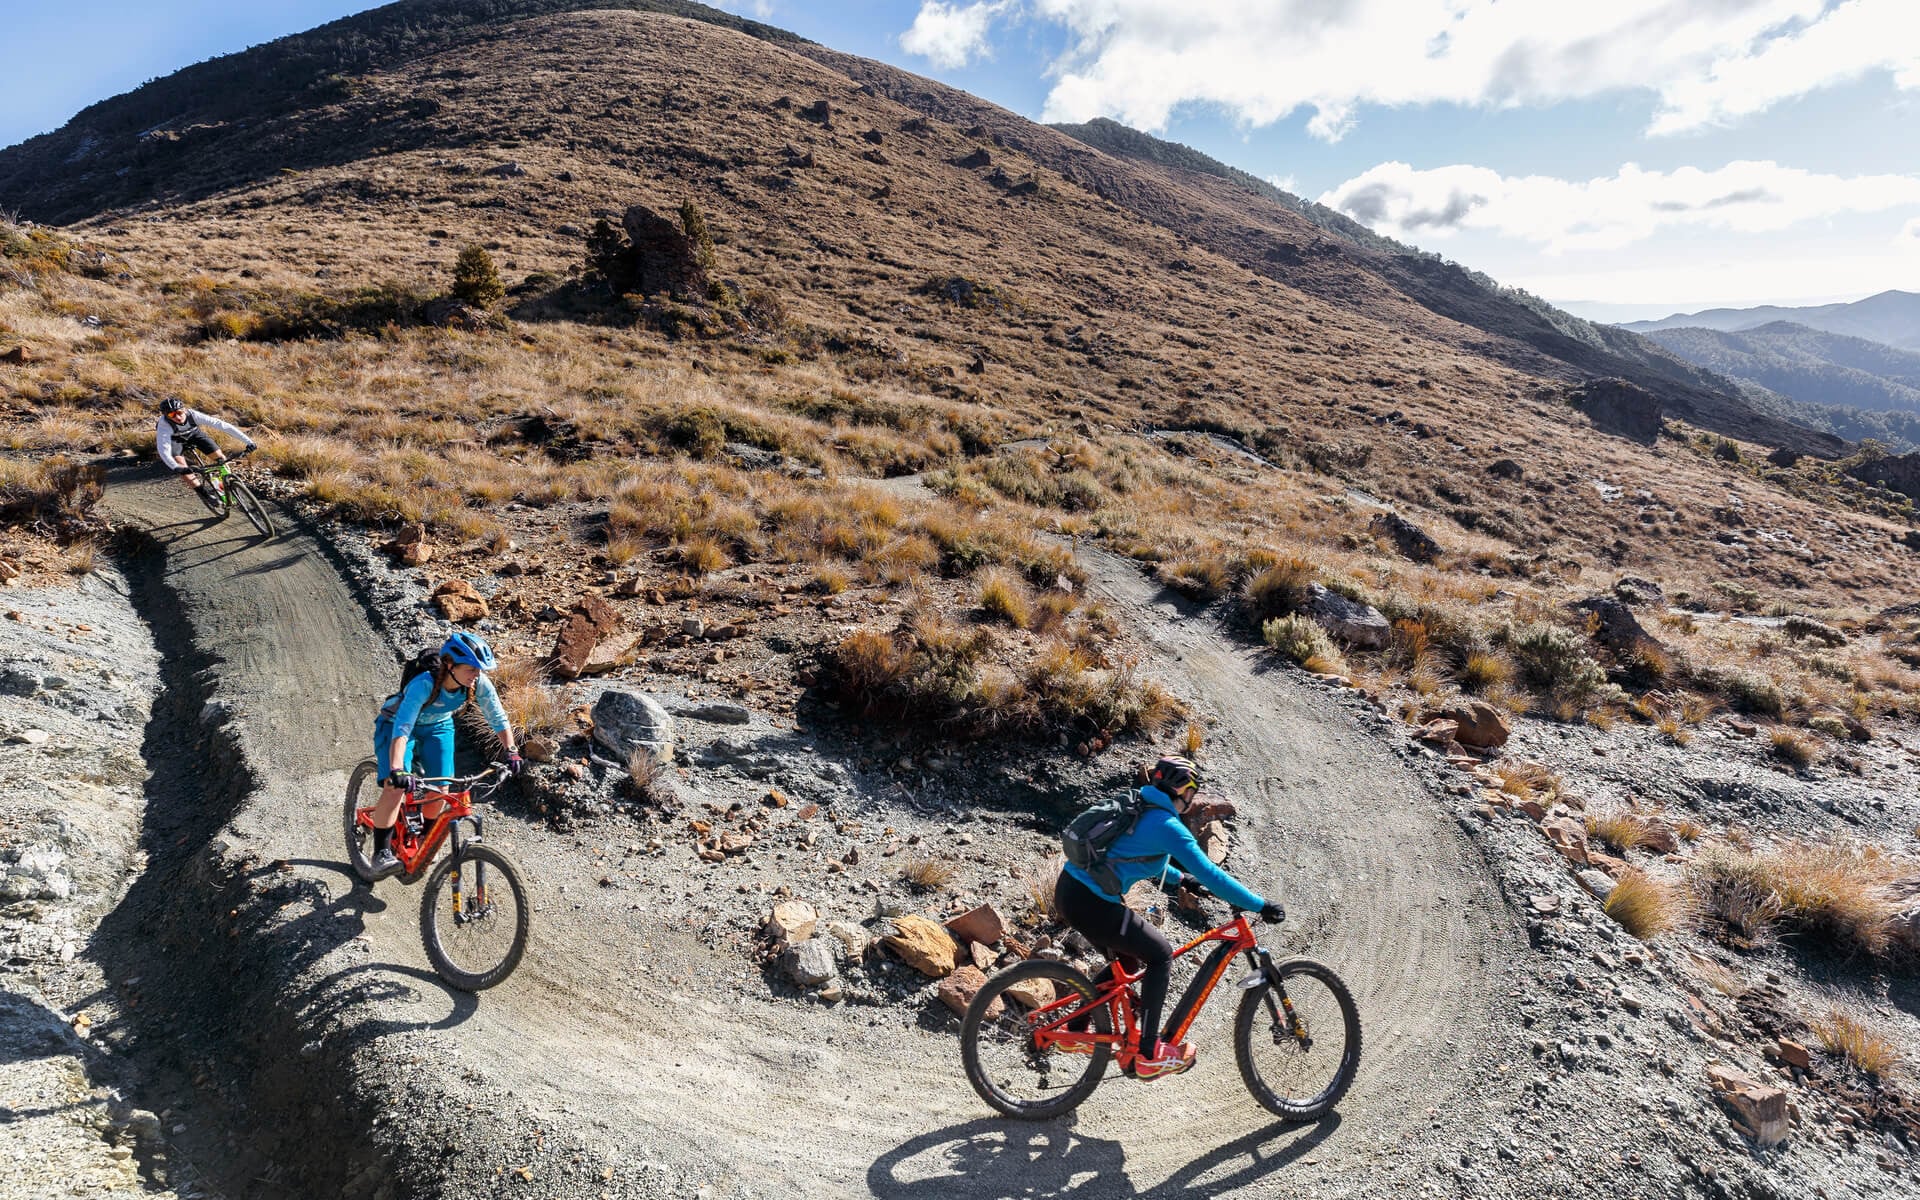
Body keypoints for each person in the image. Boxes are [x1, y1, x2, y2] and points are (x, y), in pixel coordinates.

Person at [1055, 754, 1285, 1080]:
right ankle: (1149, 1053)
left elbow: (1138, 856)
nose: (1191, 799)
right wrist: (1259, 904)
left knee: (1129, 961)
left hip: (1071, 892)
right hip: (1092, 903)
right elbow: (1211, 874)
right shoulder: (1167, 825)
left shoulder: (1140, 806)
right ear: (1182, 790)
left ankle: (1075, 1030)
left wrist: (1181, 880)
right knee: (1160, 954)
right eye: (1191, 792)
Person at [366, 631, 523, 880]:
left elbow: (497, 717)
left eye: (479, 669)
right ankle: (381, 853)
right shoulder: (423, 685)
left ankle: (424, 841)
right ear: (449, 665)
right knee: (395, 788)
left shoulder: (477, 683)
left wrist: (511, 751)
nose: (476, 674)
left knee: (442, 787)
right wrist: (397, 769)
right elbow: (403, 728)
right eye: (470, 668)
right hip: (396, 725)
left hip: (438, 725)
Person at [154, 395, 256, 496]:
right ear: (166, 416)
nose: (177, 417)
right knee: (181, 466)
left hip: (193, 434)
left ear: (184, 410)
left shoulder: (193, 415)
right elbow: (164, 449)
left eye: (179, 412)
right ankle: (204, 494)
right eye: (172, 415)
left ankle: (227, 484)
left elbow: (223, 426)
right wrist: (176, 467)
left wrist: (249, 442)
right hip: (174, 440)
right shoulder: (164, 425)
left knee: (220, 458)